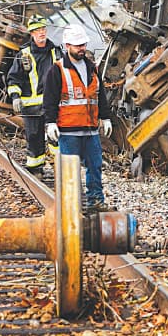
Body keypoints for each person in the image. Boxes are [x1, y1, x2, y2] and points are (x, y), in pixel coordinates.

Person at [43, 24, 113, 212]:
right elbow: (49, 99)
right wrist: (50, 123)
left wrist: (105, 118)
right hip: (68, 130)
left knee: (95, 166)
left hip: (90, 130)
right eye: (77, 45)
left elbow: (100, 95)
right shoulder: (57, 70)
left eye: (83, 44)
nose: (81, 48)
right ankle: (70, 206)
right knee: (69, 171)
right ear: (67, 46)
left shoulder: (92, 69)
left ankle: (96, 202)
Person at [6, 14, 63, 177]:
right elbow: (13, 78)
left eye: (43, 29)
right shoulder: (24, 55)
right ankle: (36, 169)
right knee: (34, 138)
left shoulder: (55, 51)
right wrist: (16, 97)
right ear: (31, 34)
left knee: (57, 137)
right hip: (31, 108)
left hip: (53, 105)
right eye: (37, 30)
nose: (41, 33)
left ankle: (61, 168)